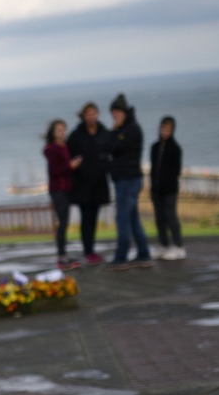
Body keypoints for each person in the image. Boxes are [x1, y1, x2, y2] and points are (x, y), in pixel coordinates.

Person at [107, 94, 153, 270]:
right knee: (133, 219)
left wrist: (115, 131)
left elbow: (115, 148)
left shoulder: (131, 129)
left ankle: (121, 257)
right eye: (112, 112)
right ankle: (143, 253)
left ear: (124, 111)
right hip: (125, 179)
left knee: (123, 219)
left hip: (128, 179)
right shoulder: (126, 128)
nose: (114, 115)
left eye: (117, 111)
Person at [65, 103, 112, 265]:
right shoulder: (76, 135)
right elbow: (67, 155)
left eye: (93, 113)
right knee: (86, 218)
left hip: (99, 183)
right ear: (83, 116)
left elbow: (111, 152)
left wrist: (105, 166)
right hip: (82, 184)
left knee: (94, 217)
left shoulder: (104, 133)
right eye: (87, 114)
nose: (91, 116)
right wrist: (74, 166)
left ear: (97, 114)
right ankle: (88, 251)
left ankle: (91, 249)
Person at [43, 119, 81, 270]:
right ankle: (61, 256)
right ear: (53, 133)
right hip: (58, 189)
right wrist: (70, 166)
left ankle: (64, 254)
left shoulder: (64, 147)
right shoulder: (52, 149)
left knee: (65, 222)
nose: (62, 132)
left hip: (66, 189)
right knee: (62, 223)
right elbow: (54, 171)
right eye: (59, 130)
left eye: (64, 129)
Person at [150, 116, 185, 260]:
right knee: (159, 218)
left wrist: (167, 184)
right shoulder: (154, 147)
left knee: (171, 217)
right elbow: (153, 169)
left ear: (172, 131)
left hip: (169, 190)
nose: (164, 132)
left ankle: (178, 246)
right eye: (163, 128)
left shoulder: (175, 148)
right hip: (156, 190)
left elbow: (176, 170)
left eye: (168, 129)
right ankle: (163, 245)